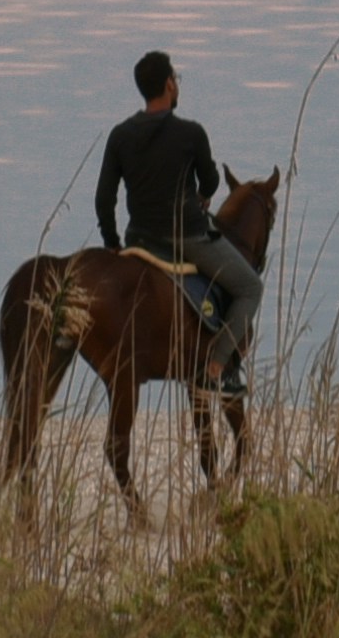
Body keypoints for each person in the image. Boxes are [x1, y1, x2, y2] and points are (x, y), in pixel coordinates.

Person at [94, 48, 255, 394]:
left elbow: (103, 199)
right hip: (189, 239)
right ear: (169, 84)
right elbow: (210, 183)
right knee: (249, 287)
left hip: (139, 241)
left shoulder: (120, 135)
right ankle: (217, 369)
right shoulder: (191, 133)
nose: (176, 85)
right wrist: (201, 194)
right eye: (175, 80)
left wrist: (112, 244)